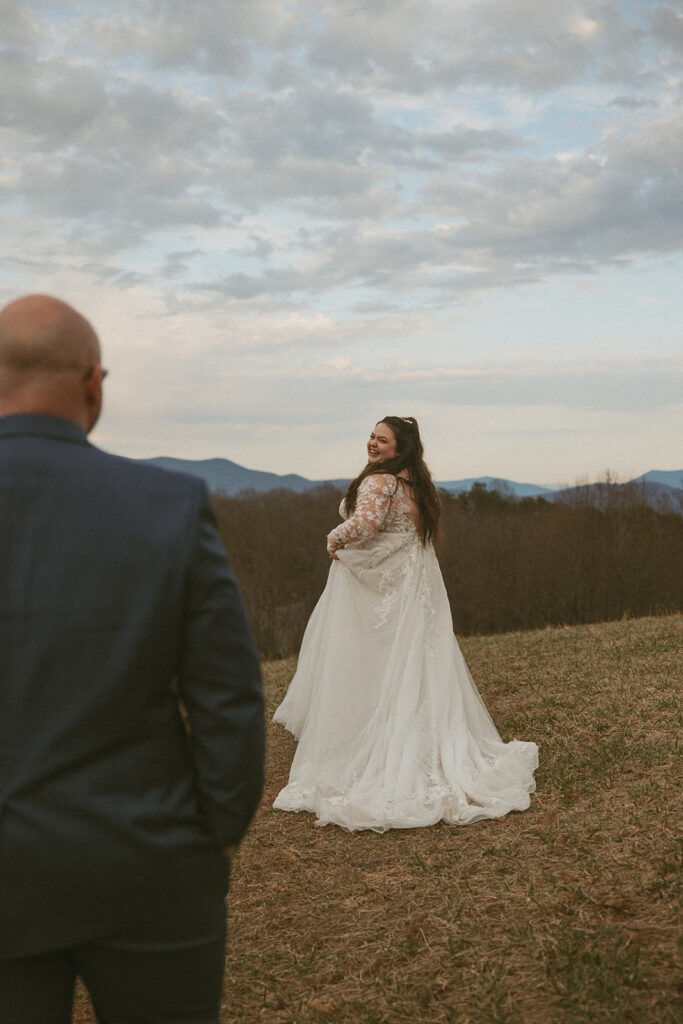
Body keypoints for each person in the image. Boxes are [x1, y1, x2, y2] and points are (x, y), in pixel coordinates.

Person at [0, 295, 265, 1023]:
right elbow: (228, 698)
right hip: (149, 864)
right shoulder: (166, 504)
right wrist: (211, 835)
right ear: (93, 383)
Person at [273, 415, 537, 832]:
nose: (373, 444)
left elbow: (366, 525)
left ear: (401, 447)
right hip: (413, 588)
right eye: (371, 436)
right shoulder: (416, 482)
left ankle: (379, 750)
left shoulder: (380, 482)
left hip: (385, 589)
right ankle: (414, 741)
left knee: (372, 662)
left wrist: (333, 537)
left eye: (382, 440)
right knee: (412, 663)